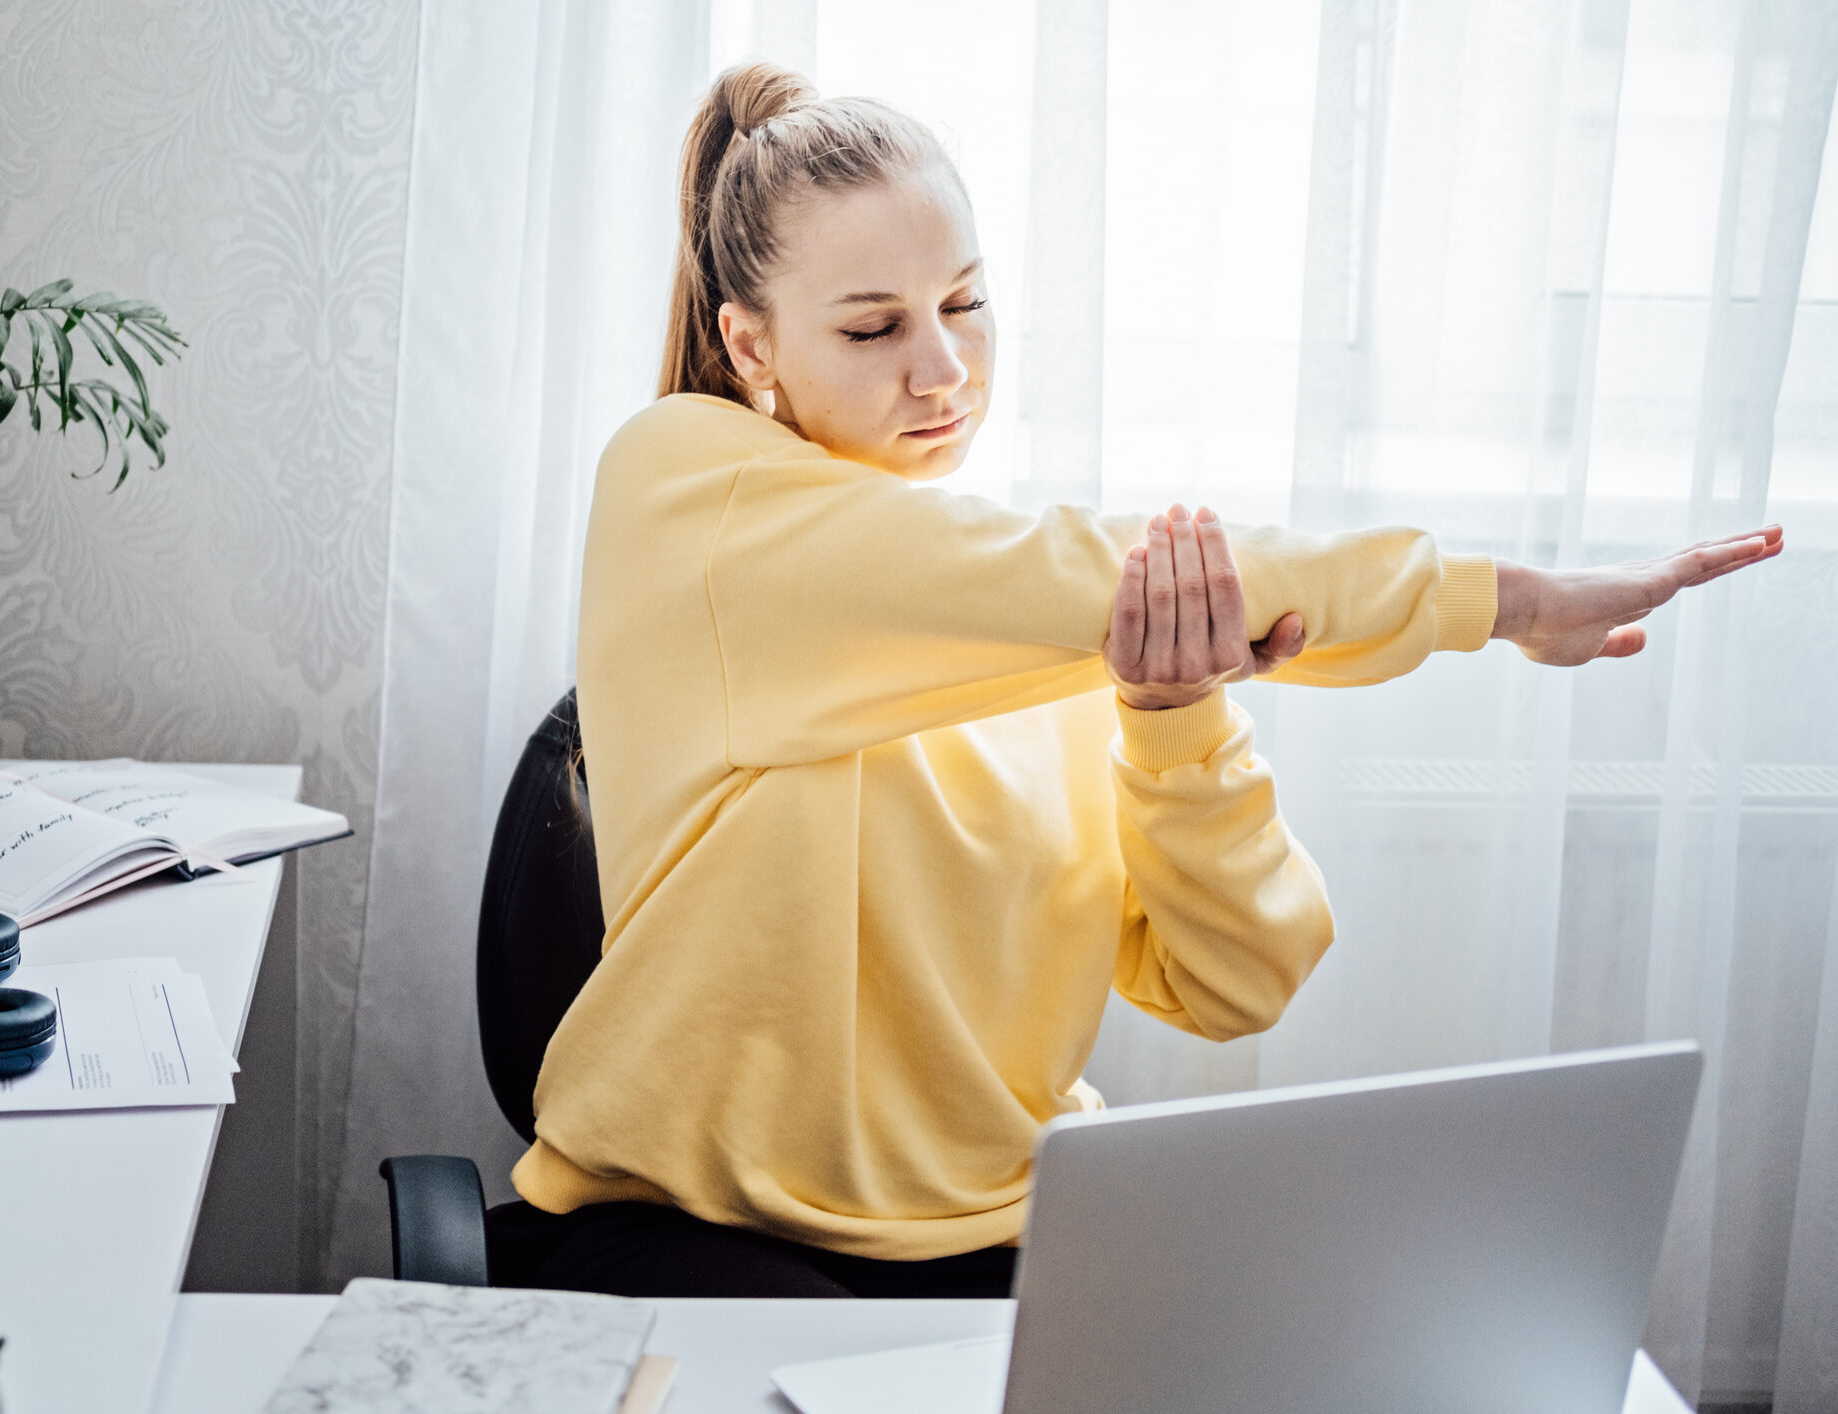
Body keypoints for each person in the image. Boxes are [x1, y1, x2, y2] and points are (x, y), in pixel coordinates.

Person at [487, 62, 1782, 1299]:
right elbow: (1062, 571)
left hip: (1021, 1233)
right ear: (750, 345)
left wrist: (1174, 726)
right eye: (875, 326)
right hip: (683, 1234)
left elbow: (1235, 984)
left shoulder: (1047, 625)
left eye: (967, 301)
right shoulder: (684, 491)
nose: (943, 369)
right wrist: (1504, 601)